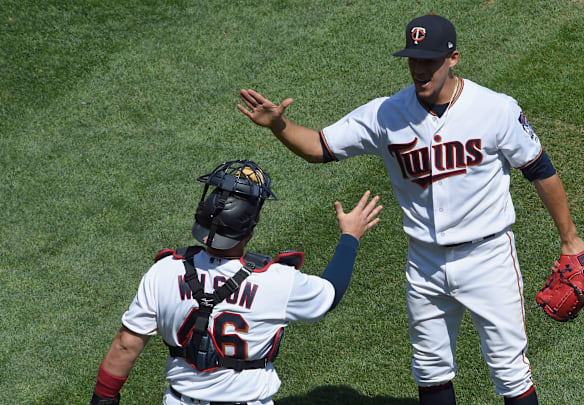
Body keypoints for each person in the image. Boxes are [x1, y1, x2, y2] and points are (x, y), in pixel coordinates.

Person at [237, 13, 584, 405]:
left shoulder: (495, 109)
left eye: (429, 61)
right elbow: (320, 148)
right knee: (430, 369)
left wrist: (570, 239)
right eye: (413, 60)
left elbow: (540, 170)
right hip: (424, 261)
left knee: (509, 371)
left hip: (488, 257)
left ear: (453, 58)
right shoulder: (385, 114)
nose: (420, 70)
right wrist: (279, 126)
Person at [89, 159, 382, 405]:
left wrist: (104, 398)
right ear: (249, 233)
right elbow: (330, 294)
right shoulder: (277, 281)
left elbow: (126, 346)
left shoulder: (163, 271)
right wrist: (350, 237)